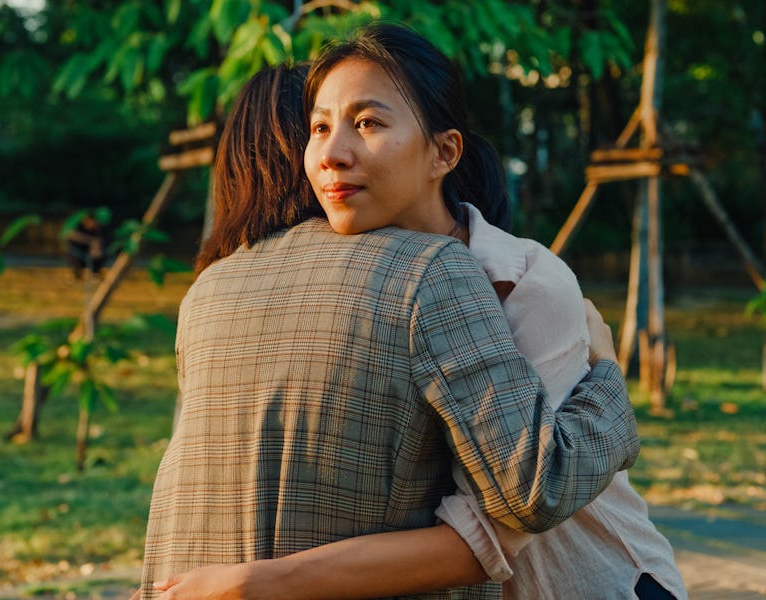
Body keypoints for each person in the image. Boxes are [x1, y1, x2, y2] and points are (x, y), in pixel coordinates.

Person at [151, 23, 684, 600]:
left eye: (368, 123)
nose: (331, 154)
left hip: (598, 585)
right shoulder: (368, 282)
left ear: (444, 152)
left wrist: (609, 383)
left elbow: (512, 515)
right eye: (320, 128)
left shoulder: (524, 281)